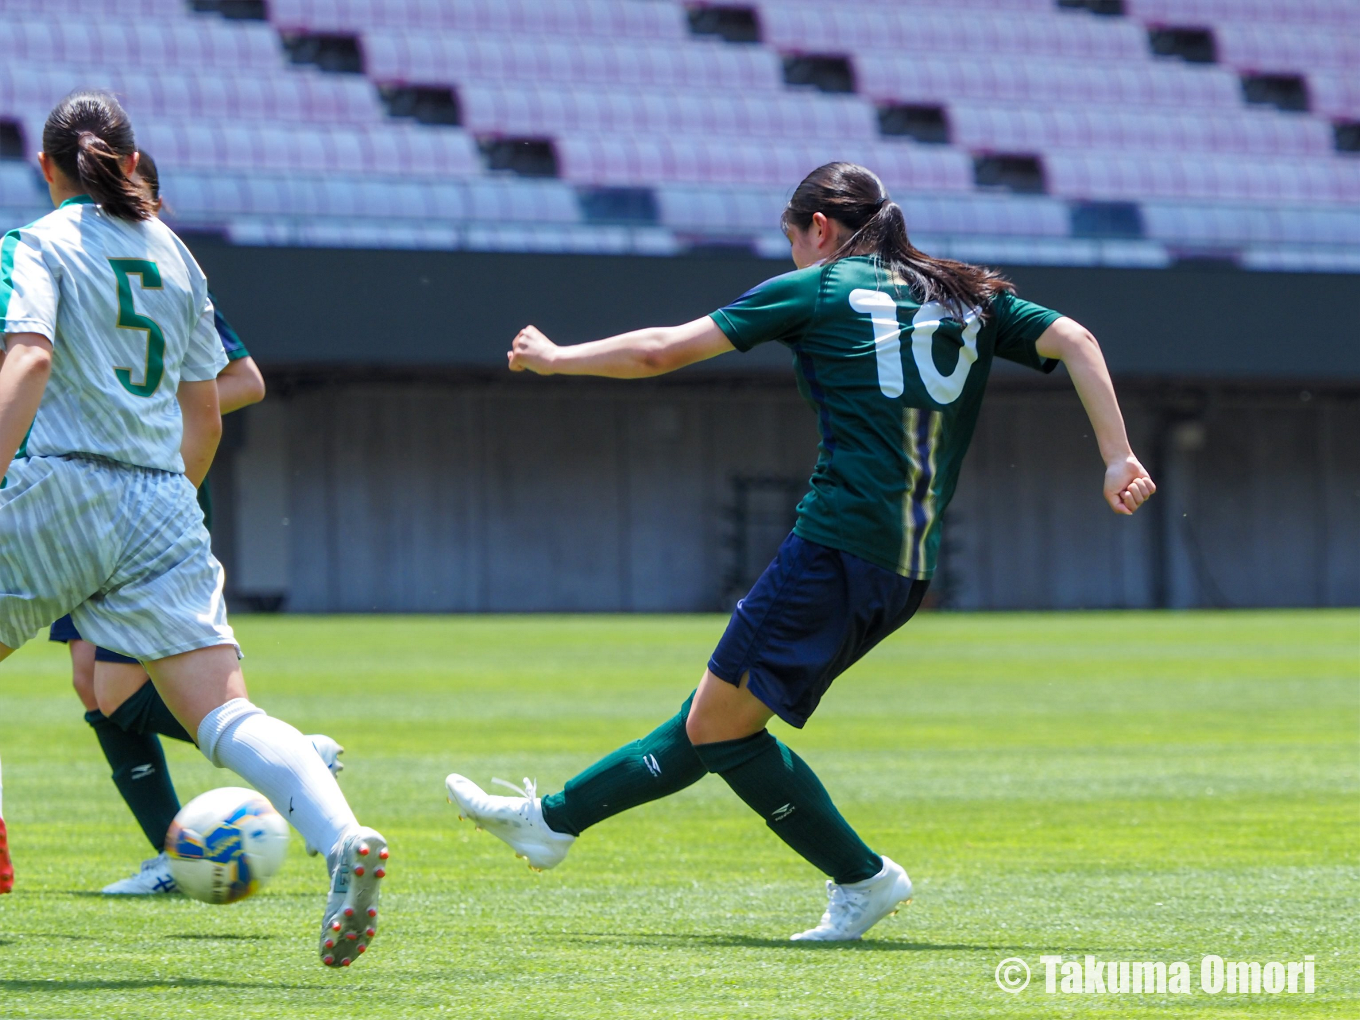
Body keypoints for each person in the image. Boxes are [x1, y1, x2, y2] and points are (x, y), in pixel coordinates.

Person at [446, 161, 1156, 942]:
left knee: (720, 726)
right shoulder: (965, 296)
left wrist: (554, 356)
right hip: (904, 568)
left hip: (834, 548)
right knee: (713, 714)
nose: (791, 254)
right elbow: (1078, 340)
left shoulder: (819, 289)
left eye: (790, 238)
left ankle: (862, 877)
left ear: (818, 228)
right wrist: (1117, 456)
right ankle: (551, 822)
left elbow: (659, 352)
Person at [0, 91, 384, 967]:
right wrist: (162, 517)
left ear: (46, 168)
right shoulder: (177, 257)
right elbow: (206, 414)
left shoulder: (34, 245)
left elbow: (28, 357)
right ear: (132, 165)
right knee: (225, 714)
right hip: (162, 500)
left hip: (62, 484)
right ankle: (343, 839)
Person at [47, 151, 344, 896]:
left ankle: (281, 757)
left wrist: (142, 416)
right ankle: (178, 851)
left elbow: (242, 380)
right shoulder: (105, 264)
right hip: (88, 496)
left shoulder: (145, 269)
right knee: (93, 681)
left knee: (113, 687)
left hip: (139, 499)